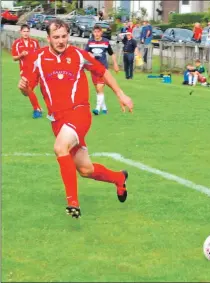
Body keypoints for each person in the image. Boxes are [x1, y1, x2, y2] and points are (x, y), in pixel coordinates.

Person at [18, 19, 134, 218]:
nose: (61, 41)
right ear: (48, 38)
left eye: (64, 36)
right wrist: (24, 88)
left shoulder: (79, 55)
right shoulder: (37, 59)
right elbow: (29, 88)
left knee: (59, 147)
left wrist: (120, 94)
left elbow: (103, 71)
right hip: (57, 120)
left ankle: (73, 202)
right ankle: (118, 178)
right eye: (56, 37)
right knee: (85, 169)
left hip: (79, 113)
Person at [85, 24, 119, 115]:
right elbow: (85, 53)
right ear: (93, 32)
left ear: (101, 33)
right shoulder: (90, 42)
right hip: (93, 68)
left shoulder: (106, 42)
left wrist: (115, 64)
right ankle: (104, 108)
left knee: (100, 87)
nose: (96, 34)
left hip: (103, 68)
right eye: (95, 32)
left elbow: (112, 53)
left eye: (98, 32)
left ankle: (97, 109)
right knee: (98, 89)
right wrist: (89, 54)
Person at [11, 24, 43, 119]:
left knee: (31, 89)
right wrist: (21, 55)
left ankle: (37, 109)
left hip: (35, 70)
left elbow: (39, 54)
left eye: (27, 31)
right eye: (24, 31)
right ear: (21, 32)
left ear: (29, 32)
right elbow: (14, 58)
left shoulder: (34, 42)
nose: (26, 33)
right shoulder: (17, 43)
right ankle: (37, 109)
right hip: (24, 71)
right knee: (27, 89)